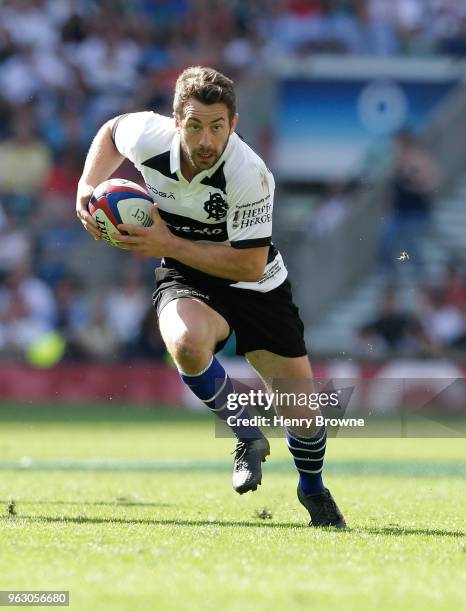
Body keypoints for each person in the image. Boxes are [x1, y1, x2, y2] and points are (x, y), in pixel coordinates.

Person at [76, 66, 346, 529]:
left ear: (233, 124)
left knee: (301, 412)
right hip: (187, 274)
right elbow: (112, 131)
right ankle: (245, 431)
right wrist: (86, 184)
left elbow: (250, 265)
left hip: (256, 285)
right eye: (196, 125)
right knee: (185, 342)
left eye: (217, 126)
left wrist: (168, 245)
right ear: (176, 121)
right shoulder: (149, 137)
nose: (206, 139)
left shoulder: (249, 174)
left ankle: (313, 489)